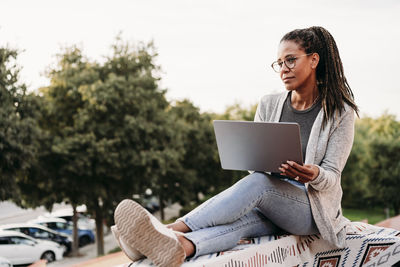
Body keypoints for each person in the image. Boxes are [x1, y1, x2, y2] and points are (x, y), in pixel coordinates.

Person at [112, 26, 359, 267]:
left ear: (314, 60)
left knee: (259, 184)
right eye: (279, 63)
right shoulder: (269, 104)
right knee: (240, 222)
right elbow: (256, 167)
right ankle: (180, 246)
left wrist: (313, 174)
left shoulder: (340, 112)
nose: (283, 69)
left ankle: (168, 229)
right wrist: (260, 162)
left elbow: (332, 176)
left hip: (311, 210)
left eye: (291, 60)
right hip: (272, 200)